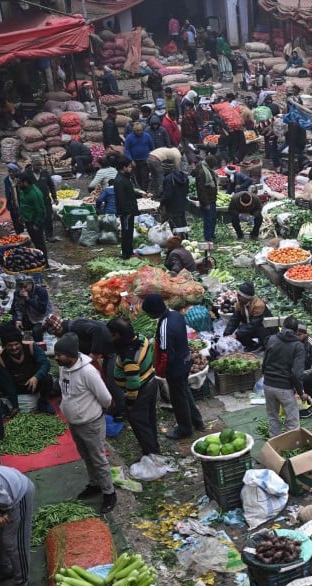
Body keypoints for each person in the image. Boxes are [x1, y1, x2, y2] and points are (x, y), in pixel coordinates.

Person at [54, 333, 116, 513]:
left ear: (72, 355)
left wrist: (95, 411)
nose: (56, 357)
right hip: (75, 423)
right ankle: (95, 484)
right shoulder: (64, 367)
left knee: (98, 459)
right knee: (86, 456)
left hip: (91, 424)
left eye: (60, 354)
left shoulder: (88, 372)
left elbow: (105, 398)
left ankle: (109, 493)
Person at [143, 293, 204, 439]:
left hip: (174, 368)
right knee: (185, 393)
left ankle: (184, 429)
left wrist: (161, 372)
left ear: (154, 312)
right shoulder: (175, 315)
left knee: (178, 399)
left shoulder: (165, 327)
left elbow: (166, 355)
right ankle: (197, 421)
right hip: (185, 361)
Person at [44, 315, 124, 421]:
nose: (56, 336)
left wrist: (94, 353)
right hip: (106, 353)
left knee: (112, 382)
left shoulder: (76, 327)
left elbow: (97, 329)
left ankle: (122, 412)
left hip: (113, 350)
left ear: (58, 328)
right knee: (106, 378)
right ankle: (114, 407)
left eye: (54, 333)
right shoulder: (70, 332)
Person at [107, 318, 159, 462]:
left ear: (117, 335)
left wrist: (130, 401)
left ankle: (151, 454)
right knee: (149, 418)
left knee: (139, 422)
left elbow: (133, 382)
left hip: (141, 390)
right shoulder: (141, 338)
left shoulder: (129, 356)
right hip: (150, 381)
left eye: (111, 334)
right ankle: (154, 447)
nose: (109, 337)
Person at [0, 323, 54, 416]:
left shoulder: (31, 346)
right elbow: (8, 382)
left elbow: (45, 364)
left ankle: (43, 403)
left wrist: (36, 377)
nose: (14, 348)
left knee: (47, 379)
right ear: (5, 346)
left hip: (33, 384)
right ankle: (4, 407)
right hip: (16, 386)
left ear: (21, 342)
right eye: (10, 345)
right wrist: (15, 406)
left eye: (16, 344)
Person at [261, 316, 305, 437]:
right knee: (292, 421)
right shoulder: (298, 346)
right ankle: (291, 446)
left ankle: (275, 445)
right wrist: (300, 392)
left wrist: (267, 378)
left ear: (283, 327)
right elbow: (296, 373)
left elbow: (264, 363)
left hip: (268, 384)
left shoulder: (272, 339)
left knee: (272, 417)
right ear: (296, 331)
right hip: (284, 388)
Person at [113, 157, 145, 260]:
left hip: (130, 210)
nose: (131, 168)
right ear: (124, 167)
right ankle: (126, 254)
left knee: (129, 231)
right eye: (130, 167)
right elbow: (121, 198)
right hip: (126, 212)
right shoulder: (119, 181)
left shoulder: (125, 178)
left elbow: (130, 192)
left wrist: (140, 194)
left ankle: (129, 251)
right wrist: (126, 212)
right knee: (126, 233)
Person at [225, 281, 270, 351]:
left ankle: (263, 344)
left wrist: (236, 334)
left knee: (242, 333)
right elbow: (234, 319)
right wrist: (227, 334)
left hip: (263, 328)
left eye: (240, 296)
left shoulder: (258, 305)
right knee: (240, 332)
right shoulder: (240, 303)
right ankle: (253, 345)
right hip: (251, 326)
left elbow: (253, 324)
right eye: (238, 295)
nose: (238, 297)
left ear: (247, 298)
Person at [15, 174, 47, 263]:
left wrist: (37, 224)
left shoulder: (35, 194)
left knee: (39, 243)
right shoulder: (23, 190)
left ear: (25, 183)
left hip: (34, 222)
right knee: (34, 240)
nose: (18, 185)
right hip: (28, 220)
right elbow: (23, 204)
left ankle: (44, 262)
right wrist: (21, 215)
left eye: (19, 183)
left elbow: (41, 211)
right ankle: (38, 259)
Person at [12, 276, 54, 343]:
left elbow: (42, 310)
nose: (23, 289)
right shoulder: (17, 293)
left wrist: (28, 299)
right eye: (20, 287)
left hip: (42, 317)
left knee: (37, 331)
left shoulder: (41, 291)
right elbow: (16, 308)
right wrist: (18, 320)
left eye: (25, 287)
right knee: (8, 327)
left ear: (31, 284)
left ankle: (39, 347)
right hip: (28, 316)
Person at [194, 154, 219, 242]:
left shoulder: (208, 170)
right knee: (208, 219)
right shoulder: (202, 172)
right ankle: (208, 237)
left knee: (213, 218)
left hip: (212, 199)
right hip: (207, 201)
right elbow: (201, 190)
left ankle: (211, 234)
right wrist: (206, 203)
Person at [123, 123, 155, 191]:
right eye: (137, 131)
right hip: (135, 161)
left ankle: (144, 191)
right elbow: (127, 150)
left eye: (140, 130)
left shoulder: (147, 136)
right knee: (138, 177)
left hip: (145, 160)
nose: (139, 132)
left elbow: (152, 147)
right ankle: (141, 189)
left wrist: (151, 156)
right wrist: (131, 160)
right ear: (134, 130)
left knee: (145, 177)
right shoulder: (129, 137)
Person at [160, 163, 190, 231]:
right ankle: (185, 239)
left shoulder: (168, 179)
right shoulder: (184, 176)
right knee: (183, 224)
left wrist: (162, 203)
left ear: (165, 169)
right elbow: (187, 191)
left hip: (172, 207)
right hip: (182, 205)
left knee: (176, 228)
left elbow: (167, 195)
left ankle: (179, 240)